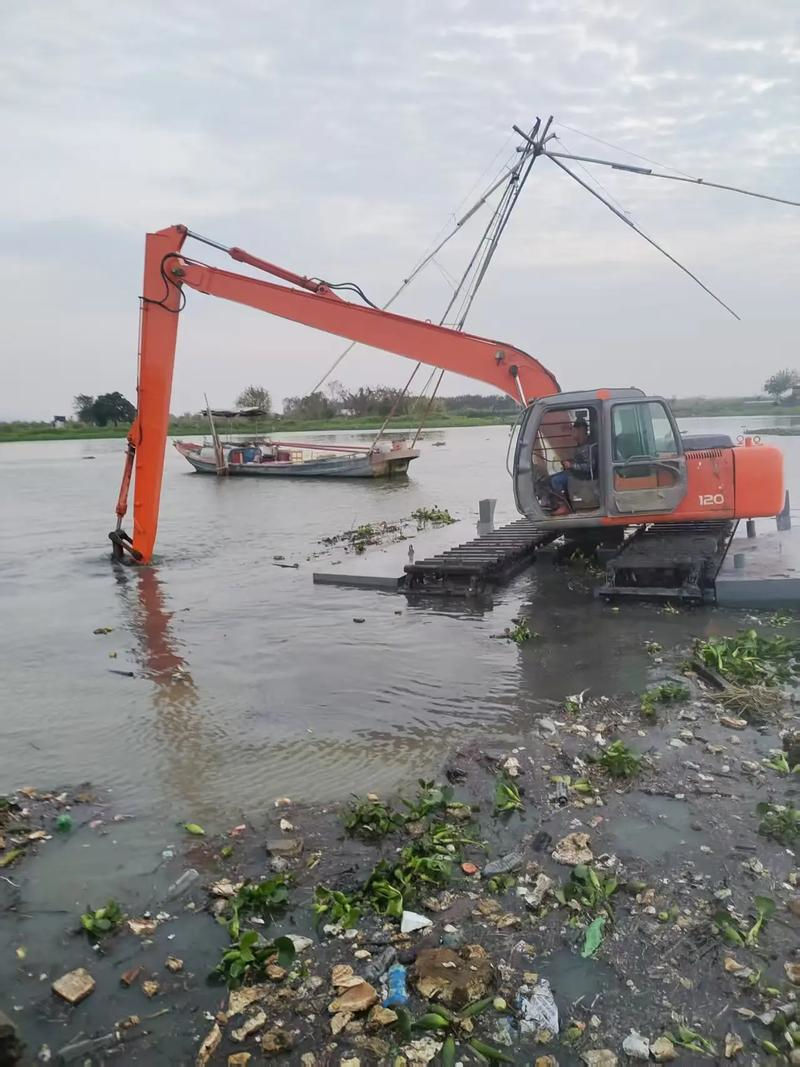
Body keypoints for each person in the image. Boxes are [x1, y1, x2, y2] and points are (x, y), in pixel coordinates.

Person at [548, 418, 597, 512]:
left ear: (581, 431)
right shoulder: (580, 445)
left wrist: (571, 465)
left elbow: (589, 466)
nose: (572, 433)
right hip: (576, 473)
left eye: (574, 430)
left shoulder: (588, 447)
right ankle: (562, 503)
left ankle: (564, 506)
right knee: (550, 479)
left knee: (555, 481)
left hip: (583, 477)